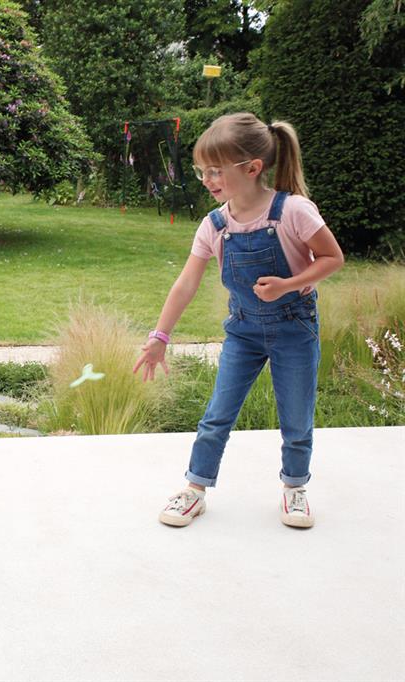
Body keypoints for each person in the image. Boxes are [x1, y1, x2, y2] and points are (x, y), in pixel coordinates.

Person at [133, 113, 344, 529]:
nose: (207, 179)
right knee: (217, 416)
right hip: (243, 332)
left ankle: (295, 488)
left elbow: (332, 258)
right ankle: (195, 489)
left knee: (296, 418)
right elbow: (185, 284)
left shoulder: (293, 211)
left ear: (252, 168)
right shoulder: (214, 224)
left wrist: (289, 284)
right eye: (202, 171)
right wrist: (160, 336)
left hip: (294, 329)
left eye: (215, 170)